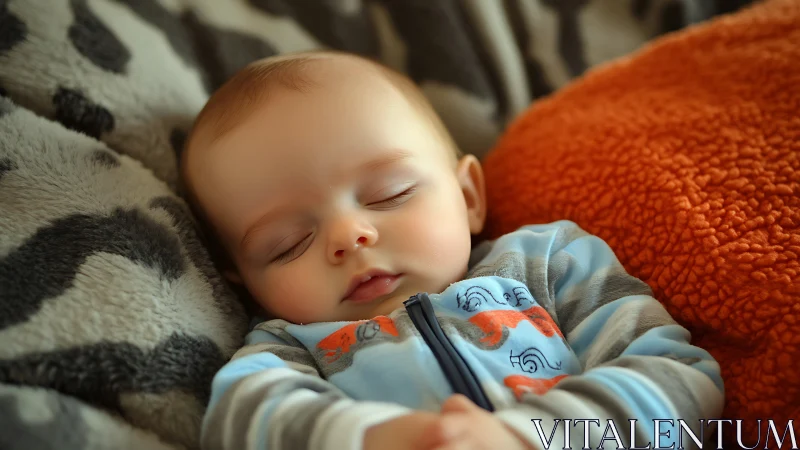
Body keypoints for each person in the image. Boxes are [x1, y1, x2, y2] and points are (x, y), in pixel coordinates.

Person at [180, 51, 724, 450]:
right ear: (242, 280)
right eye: (287, 244)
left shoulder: (548, 265)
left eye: (389, 194)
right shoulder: (288, 353)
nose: (349, 237)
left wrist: (528, 436)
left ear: (467, 197)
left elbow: (680, 378)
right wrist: (372, 437)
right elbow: (239, 427)